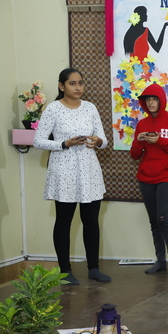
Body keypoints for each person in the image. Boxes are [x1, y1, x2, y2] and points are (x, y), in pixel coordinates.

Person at [33, 68, 111, 285]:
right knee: (64, 221)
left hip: (89, 170)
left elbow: (104, 140)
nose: (78, 88)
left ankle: (93, 268)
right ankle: (65, 271)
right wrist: (64, 144)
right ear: (61, 86)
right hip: (63, 170)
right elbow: (38, 141)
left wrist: (97, 141)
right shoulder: (53, 109)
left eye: (80, 83)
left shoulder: (90, 108)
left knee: (91, 220)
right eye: (72, 83)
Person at [130, 83, 168, 275]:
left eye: (154, 99)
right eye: (148, 100)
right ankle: (160, 260)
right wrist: (139, 141)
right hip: (146, 178)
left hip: (167, 176)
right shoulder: (142, 124)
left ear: (161, 100)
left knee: (163, 218)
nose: (151, 103)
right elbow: (135, 155)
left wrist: (159, 141)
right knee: (154, 220)